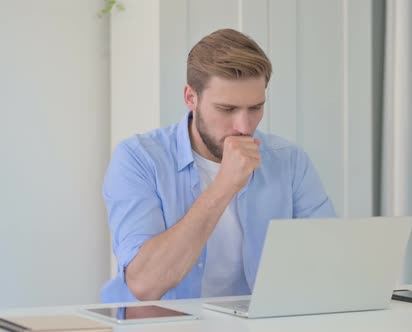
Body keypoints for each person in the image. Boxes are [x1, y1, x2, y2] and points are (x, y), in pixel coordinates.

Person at [101, 29, 336, 303]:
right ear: (191, 98)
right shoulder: (138, 158)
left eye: (256, 108)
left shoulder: (289, 160)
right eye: (227, 109)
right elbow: (145, 285)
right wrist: (224, 186)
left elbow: (329, 264)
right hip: (160, 325)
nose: (244, 127)